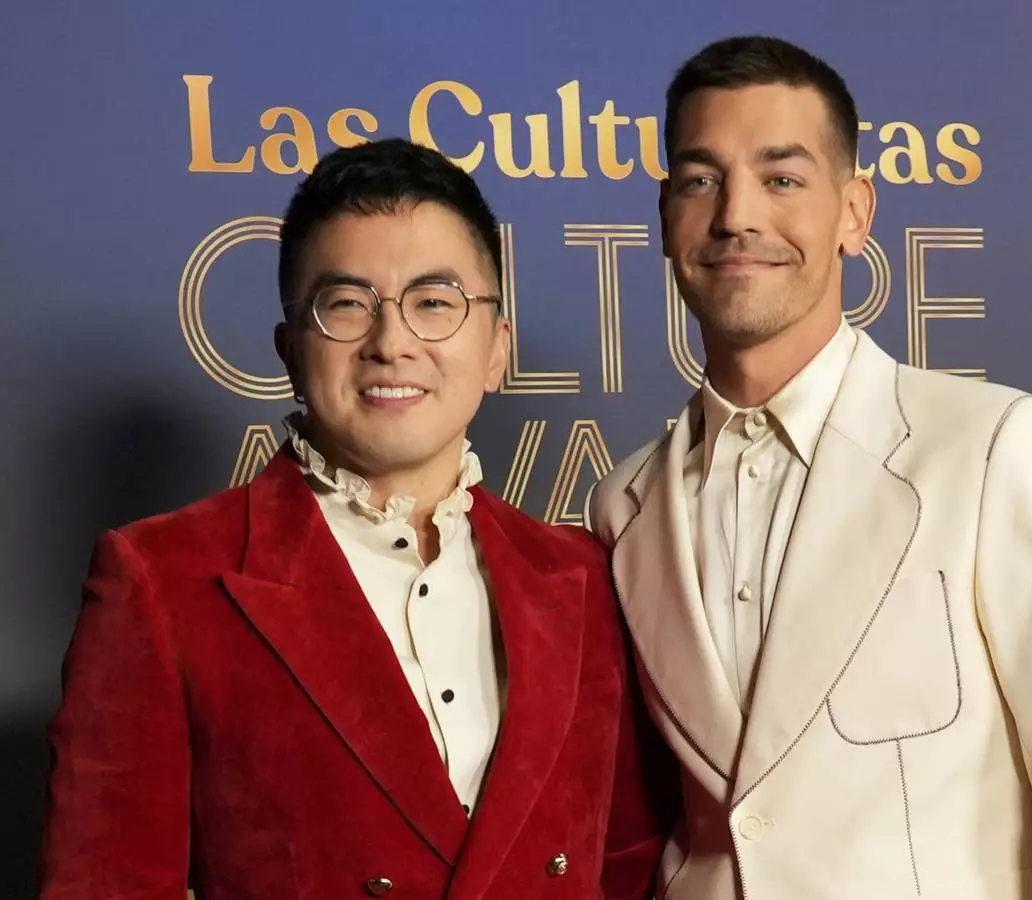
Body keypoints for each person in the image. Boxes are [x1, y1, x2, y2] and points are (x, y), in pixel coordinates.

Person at [585, 35, 1032, 900]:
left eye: (782, 179)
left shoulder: (997, 449)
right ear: (666, 216)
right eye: (702, 180)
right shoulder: (622, 506)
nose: (737, 215)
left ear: (854, 213)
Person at [41, 137, 675, 900]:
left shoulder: (582, 574)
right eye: (346, 304)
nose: (392, 344)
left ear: (497, 347)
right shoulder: (163, 580)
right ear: (290, 349)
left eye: (434, 303)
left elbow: (630, 865)